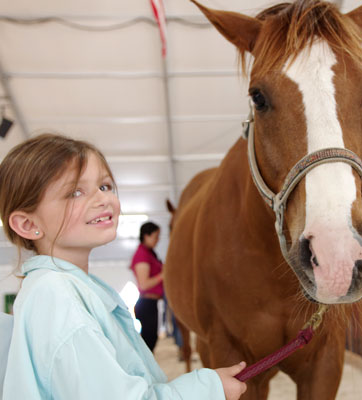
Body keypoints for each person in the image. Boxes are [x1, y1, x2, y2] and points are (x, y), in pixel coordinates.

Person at [0, 133, 247, 400]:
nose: (103, 199)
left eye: (105, 186)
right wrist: (208, 389)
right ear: (28, 225)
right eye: (75, 192)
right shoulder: (58, 298)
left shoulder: (69, 288)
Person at [130, 221, 163, 352]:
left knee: (151, 340)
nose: (158, 240)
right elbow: (144, 284)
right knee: (149, 341)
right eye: (155, 236)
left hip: (151, 302)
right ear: (146, 236)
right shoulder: (142, 255)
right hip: (147, 303)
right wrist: (163, 275)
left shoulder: (150, 253)